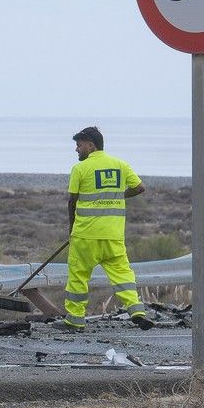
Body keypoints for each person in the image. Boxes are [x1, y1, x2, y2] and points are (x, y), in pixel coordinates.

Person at [59, 126, 153, 331]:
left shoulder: (80, 169)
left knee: (78, 276)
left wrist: (71, 227)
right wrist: (118, 196)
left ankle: (74, 320)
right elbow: (140, 187)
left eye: (79, 145)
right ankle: (137, 311)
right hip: (113, 235)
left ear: (91, 145)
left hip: (86, 236)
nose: (76, 150)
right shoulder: (120, 164)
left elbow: (71, 201)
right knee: (123, 275)